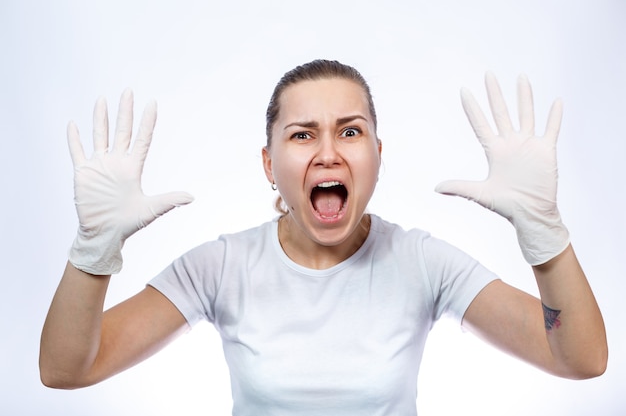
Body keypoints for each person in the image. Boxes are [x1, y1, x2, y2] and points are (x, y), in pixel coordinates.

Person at [40, 60, 607, 415]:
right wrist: (94, 249)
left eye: (351, 131)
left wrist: (544, 232)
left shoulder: (422, 262)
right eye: (303, 134)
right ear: (269, 163)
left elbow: (581, 359)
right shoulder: (220, 267)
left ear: (378, 155)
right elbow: (66, 370)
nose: (329, 152)